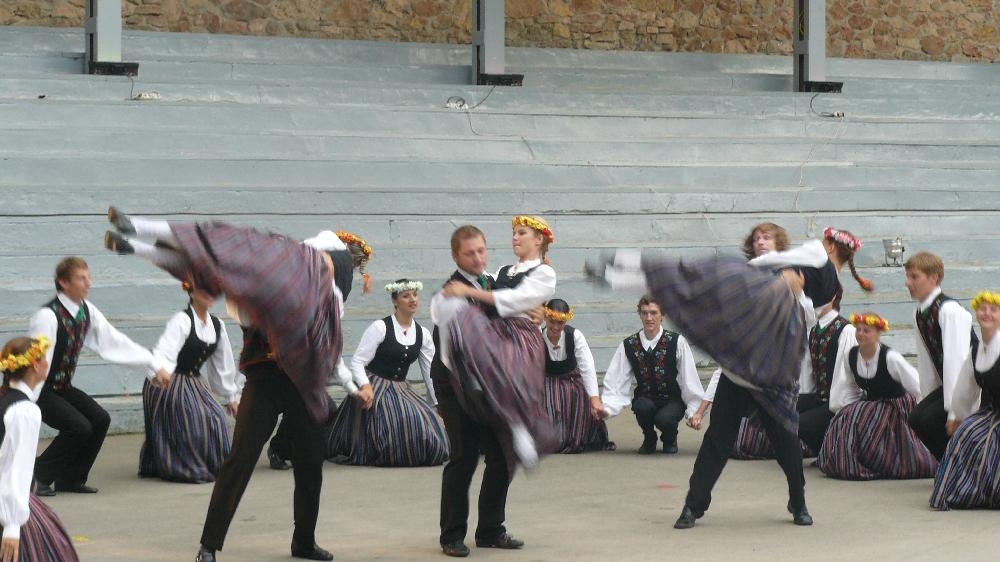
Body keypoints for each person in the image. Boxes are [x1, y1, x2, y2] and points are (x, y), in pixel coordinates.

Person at [104, 209, 368, 561]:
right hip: (265, 378)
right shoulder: (276, 276)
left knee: (310, 463)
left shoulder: (327, 301)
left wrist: (353, 387)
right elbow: (230, 293)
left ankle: (303, 541)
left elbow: (329, 354)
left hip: (303, 384)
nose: (326, 269)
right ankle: (209, 545)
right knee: (240, 458)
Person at [587, 225, 873, 529]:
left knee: (786, 441)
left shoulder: (812, 272)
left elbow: (805, 320)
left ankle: (798, 501)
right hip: (739, 372)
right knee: (718, 439)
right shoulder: (749, 279)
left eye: (767, 238)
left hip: (773, 375)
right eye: (757, 239)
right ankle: (692, 506)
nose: (760, 242)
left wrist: (795, 290)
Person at [432, 220, 554, 557]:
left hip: (489, 383)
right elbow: (450, 348)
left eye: (481, 250)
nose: (477, 258)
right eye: (469, 253)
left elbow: (507, 305)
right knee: (464, 457)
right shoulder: (450, 292)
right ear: (456, 256)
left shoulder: (491, 280)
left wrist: (535, 315)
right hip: (457, 382)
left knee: (501, 457)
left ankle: (490, 529)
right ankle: (452, 534)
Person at [28, 256, 172, 497]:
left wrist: (152, 367)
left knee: (100, 419)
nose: (89, 283)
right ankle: (36, 475)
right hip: (39, 389)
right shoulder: (47, 316)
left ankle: (70, 478)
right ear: (63, 282)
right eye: (81, 278)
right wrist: (25, 400)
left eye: (89, 277)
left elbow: (115, 343)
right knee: (79, 427)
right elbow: (35, 363)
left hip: (61, 388)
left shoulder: (86, 312)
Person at [326, 278, 448, 466]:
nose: (412, 299)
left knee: (428, 422)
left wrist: (438, 403)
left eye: (415, 295)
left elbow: (430, 372)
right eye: (406, 296)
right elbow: (358, 362)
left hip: (401, 388)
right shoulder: (380, 327)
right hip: (375, 386)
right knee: (401, 419)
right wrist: (366, 387)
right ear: (395, 301)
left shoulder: (422, 333)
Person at [140, 281, 244, 483]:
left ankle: (214, 465)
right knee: (193, 417)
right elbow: (163, 353)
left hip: (193, 380)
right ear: (191, 292)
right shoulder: (181, 320)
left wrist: (232, 396)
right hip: (166, 381)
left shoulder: (217, 325)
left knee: (216, 417)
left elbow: (223, 365)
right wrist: (160, 373)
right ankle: (183, 465)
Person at [816, 312, 936, 480]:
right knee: (848, 416)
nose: (860, 334)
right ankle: (847, 460)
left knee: (859, 415)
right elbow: (848, 388)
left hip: (896, 407)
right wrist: (847, 409)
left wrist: (921, 418)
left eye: (867, 330)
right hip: (872, 405)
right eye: (858, 330)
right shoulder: (851, 356)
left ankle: (875, 460)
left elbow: (918, 387)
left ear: (878, 333)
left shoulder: (890, 357)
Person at [0, 335, 80, 562]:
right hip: (8, 505)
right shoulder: (25, 411)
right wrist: (13, 526)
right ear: (35, 365)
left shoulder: (5, 400)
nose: (48, 362)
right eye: (44, 358)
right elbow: (15, 467)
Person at [602, 295, 704, 454]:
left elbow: (688, 377)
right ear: (640, 315)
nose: (649, 318)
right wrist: (608, 408)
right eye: (644, 313)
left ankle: (670, 438)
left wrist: (694, 411)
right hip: (646, 397)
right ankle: (649, 438)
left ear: (662, 315)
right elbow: (617, 378)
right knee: (642, 407)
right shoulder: (629, 344)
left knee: (664, 419)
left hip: (672, 400)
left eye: (654, 313)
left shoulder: (676, 341)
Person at [931, 291, 1000, 509]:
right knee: (966, 432)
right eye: (983, 308)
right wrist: (956, 415)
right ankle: (965, 490)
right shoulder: (976, 351)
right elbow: (965, 388)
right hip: (990, 413)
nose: (986, 313)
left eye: (994, 310)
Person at [905, 251, 976, 461]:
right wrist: (926, 398)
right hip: (950, 385)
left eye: (914, 277)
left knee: (929, 419)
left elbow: (958, 361)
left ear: (934, 277)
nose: (908, 282)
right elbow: (927, 363)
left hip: (974, 385)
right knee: (917, 418)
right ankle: (951, 465)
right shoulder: (919, 313)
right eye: (907, 277)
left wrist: (956, 412)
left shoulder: (949, 310)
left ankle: (963, 465)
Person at [540, 298, 614, 453]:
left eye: (560, 323)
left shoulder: (575, 336)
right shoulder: (537, 336)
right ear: (545, 318)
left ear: (565, 322)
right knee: (552, 401)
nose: (555, 327)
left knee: (577, 396)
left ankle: (577, 436)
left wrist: (594, 398)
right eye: (552, 321)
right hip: (547, 380)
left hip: (571, 379)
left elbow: (587, 366)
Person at [796, 293, 856, 456]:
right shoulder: (814, 330)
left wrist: (837, 408)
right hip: (820, 398)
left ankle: (832, 449)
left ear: (833, 296)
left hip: (839, 402)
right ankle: (822, 450)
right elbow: (809, 371)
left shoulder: (846, 330)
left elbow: (845, 377)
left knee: (798, 422)